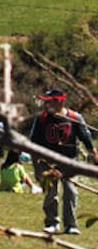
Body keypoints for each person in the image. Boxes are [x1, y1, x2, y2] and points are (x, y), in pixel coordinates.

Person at [29, 88, 98, 234]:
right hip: (47, 162)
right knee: (50, 193)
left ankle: (71, 225)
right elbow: (33, 145)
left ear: (59, 101)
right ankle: (52, 222)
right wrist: (36, 168)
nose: (46, 105)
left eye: (49, 102)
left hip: (69, 162)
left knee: (70, 191)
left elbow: (86, 138)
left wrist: (94, 154)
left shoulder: (74, 117)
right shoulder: (41, 119)